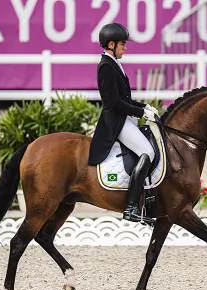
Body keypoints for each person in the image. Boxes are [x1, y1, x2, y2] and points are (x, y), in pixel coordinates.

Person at [87, 22, 159, 223]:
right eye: (122, 44)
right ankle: (131, 207)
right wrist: (140, 113)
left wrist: (144, 107)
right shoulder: (106, 67)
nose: (125, 48)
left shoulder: (115, 64)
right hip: (116, 123)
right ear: (111, 44)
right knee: (148, 152)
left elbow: (125, 99)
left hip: (125, 118)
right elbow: (114, 103)